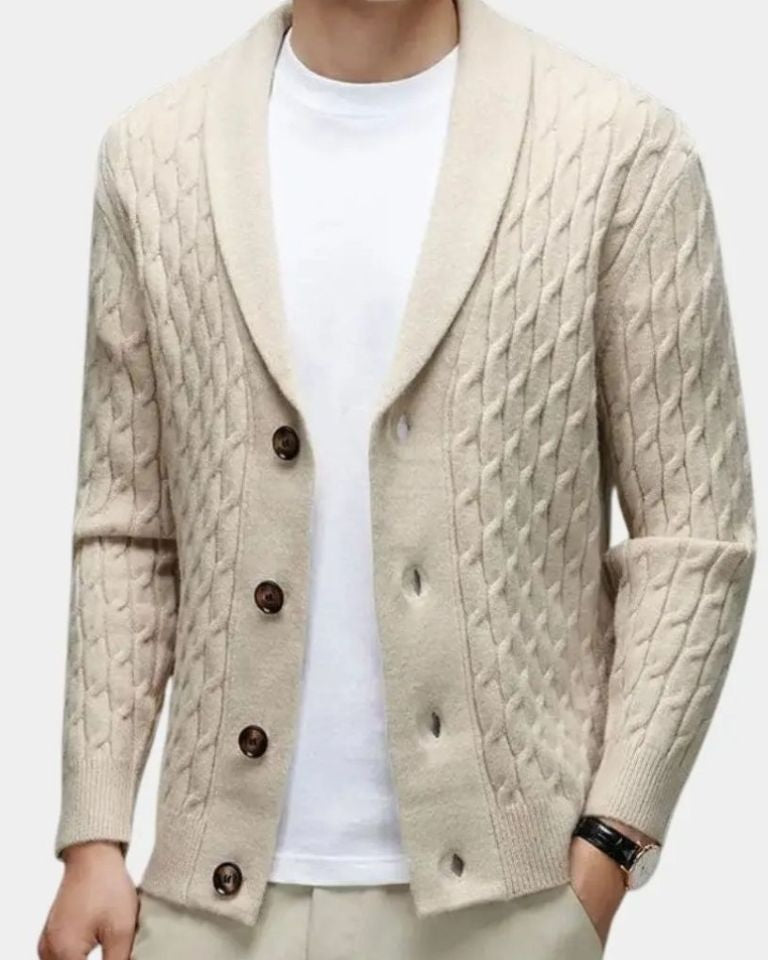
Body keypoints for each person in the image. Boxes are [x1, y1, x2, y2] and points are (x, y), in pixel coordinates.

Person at [38, 0, 756, 957]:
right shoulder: (153, 156)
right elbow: (128, 524)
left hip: (514, 904)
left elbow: (695, 533)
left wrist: (613, 843)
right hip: (208, 909)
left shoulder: (620, 149)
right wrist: (95, 833)